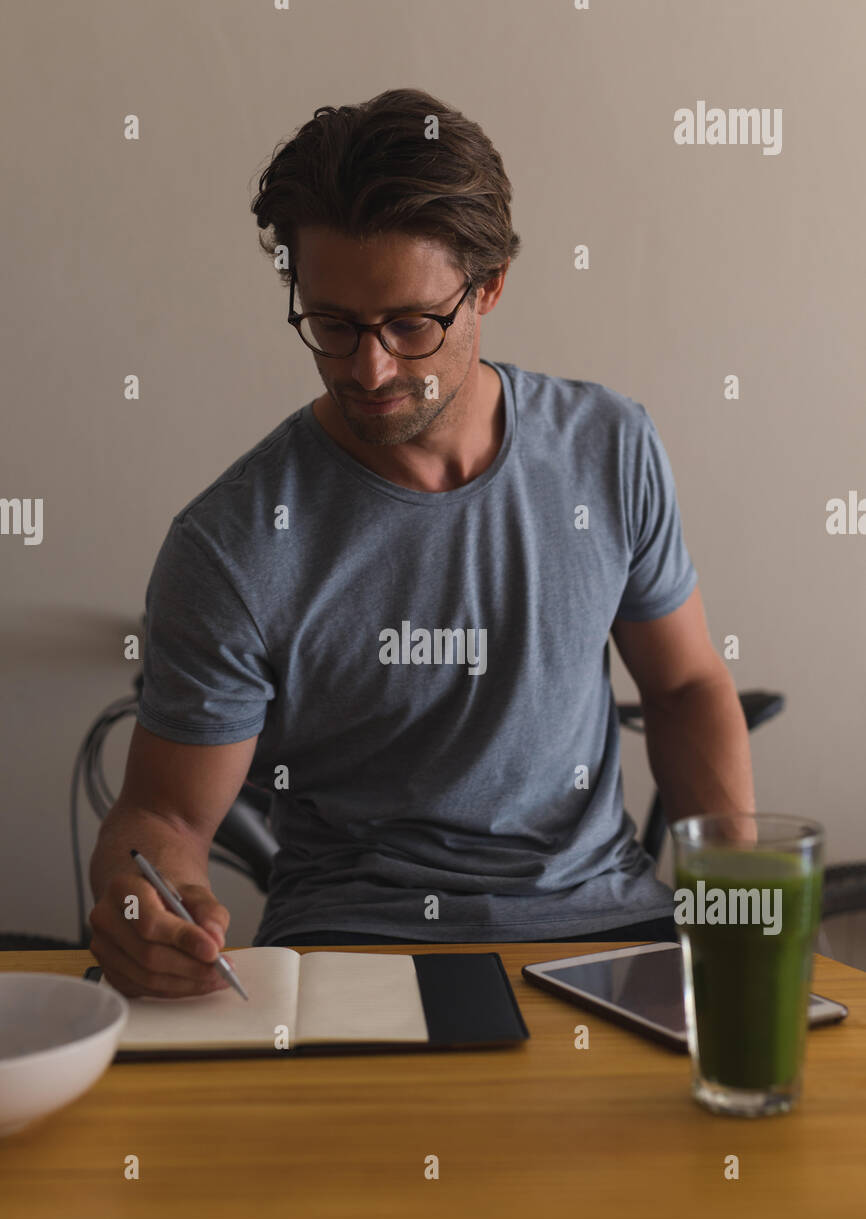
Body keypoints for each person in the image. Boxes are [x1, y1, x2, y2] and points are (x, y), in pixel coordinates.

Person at [88, 88, 755, 999]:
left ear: (489, 288)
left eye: (411, 326)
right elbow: (161, 816)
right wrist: (144, 900)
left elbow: (683, 688)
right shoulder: (232, 542)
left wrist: (735, 899)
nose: (370, 369)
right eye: (333, 326)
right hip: (352, 940)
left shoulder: (610, 449)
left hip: (604, 923)